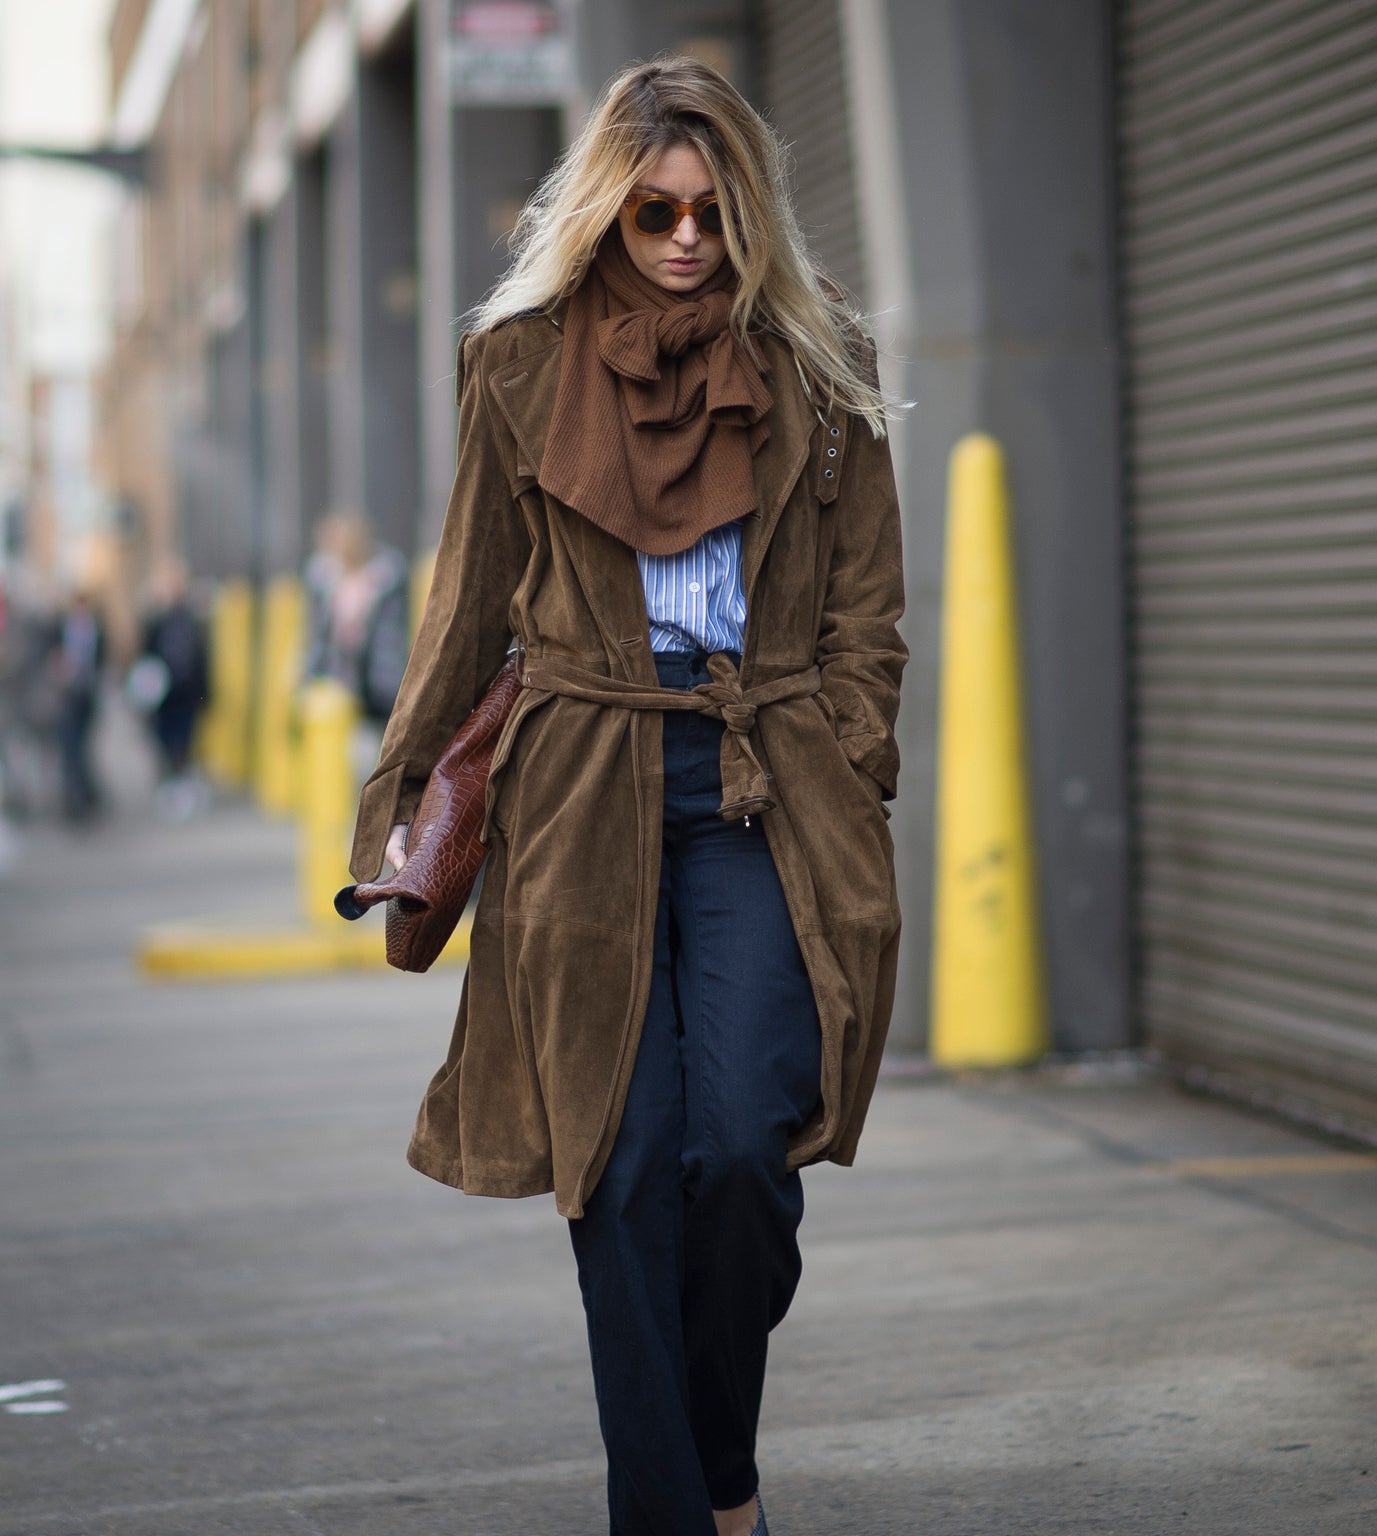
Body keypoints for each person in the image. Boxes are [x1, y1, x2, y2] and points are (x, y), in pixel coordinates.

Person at [347, 54, 906, 1536]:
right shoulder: (521, 364)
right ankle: (679, 1512)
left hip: (763, 789)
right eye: (653, 211)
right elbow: (467, 603)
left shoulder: (817, 361)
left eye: (710, 216)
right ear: (607, 211)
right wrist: (400, 810)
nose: (680, 240)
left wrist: (849, 754)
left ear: (749, 219)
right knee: (621, 1159)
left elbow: (870, 614)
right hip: (577, 793)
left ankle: (717, 1461)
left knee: (742, 1152)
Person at [304, 512, 410, 724]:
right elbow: (317, 636)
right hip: (337, 680)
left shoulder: (384, 578)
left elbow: (389, 639)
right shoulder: (326, 581)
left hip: (376, 685)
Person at [138, 560, 210, 818]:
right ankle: (171, 788)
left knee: (184, 744)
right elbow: (146, 656)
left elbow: (202, 658)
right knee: (167, 742)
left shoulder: (191, 619)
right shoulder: (156, 620)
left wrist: (206, 694)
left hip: (186, 693)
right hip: (164, 695)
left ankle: (181, 790)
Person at [49, 587, 106, 824]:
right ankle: (76, 801)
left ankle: (86, 797)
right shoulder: (61, 628)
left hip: (87, 696)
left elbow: (103, 658)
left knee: (83, 748)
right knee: (71, 750)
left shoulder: (96, 629)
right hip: (67, 697)